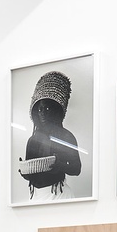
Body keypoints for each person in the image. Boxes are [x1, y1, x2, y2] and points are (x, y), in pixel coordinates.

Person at [18, 71, 82, 199]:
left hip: (59, 195)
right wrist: (25, 172)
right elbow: (32, 173)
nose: (43, 113)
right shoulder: (32, 139)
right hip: (35, 196)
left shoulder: (66, 136)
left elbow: (76, 169)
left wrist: (61, 165)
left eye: (47, 109)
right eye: (40, 109)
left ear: (56, 110)